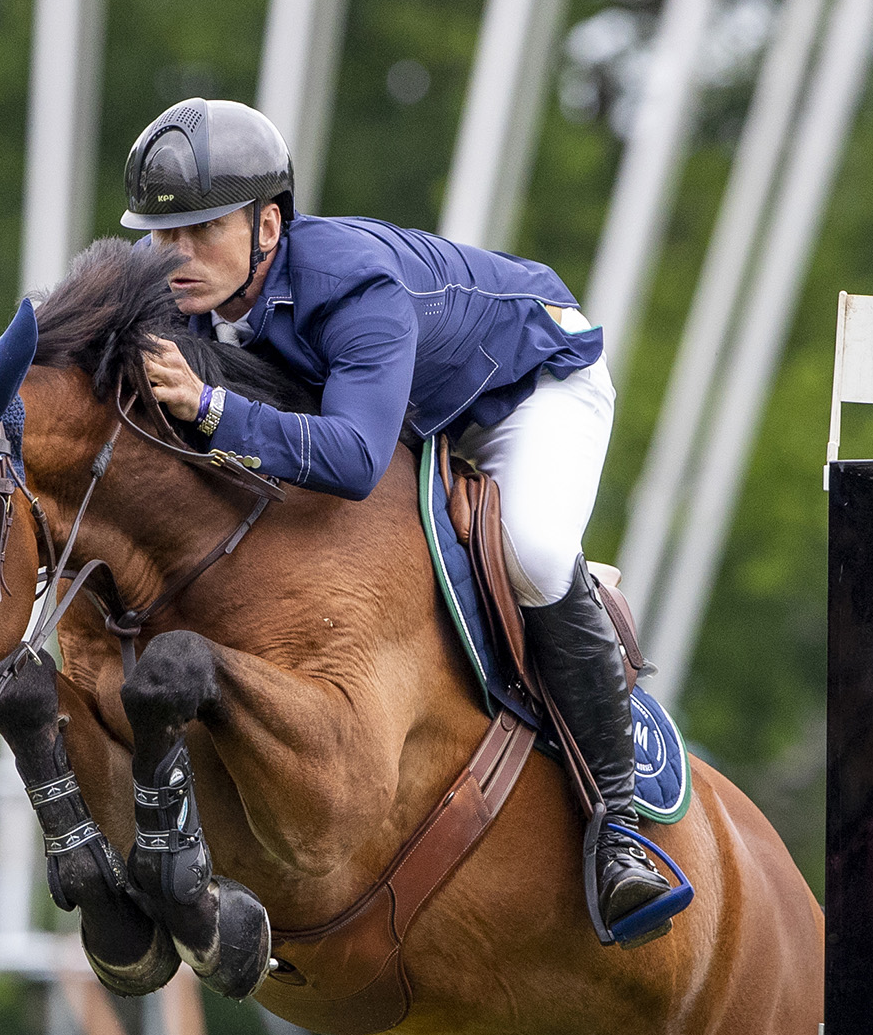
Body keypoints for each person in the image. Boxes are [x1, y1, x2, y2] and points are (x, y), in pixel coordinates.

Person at [117, 95, 689, 945]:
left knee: (531, 553)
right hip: (413, 411)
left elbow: (349, 460)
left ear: (267, 226)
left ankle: (618, 829)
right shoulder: (184, 277)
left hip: (527, 391)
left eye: (202, 230)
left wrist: (211, 413)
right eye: (163, 234)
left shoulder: (352, 284)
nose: (176, 256)